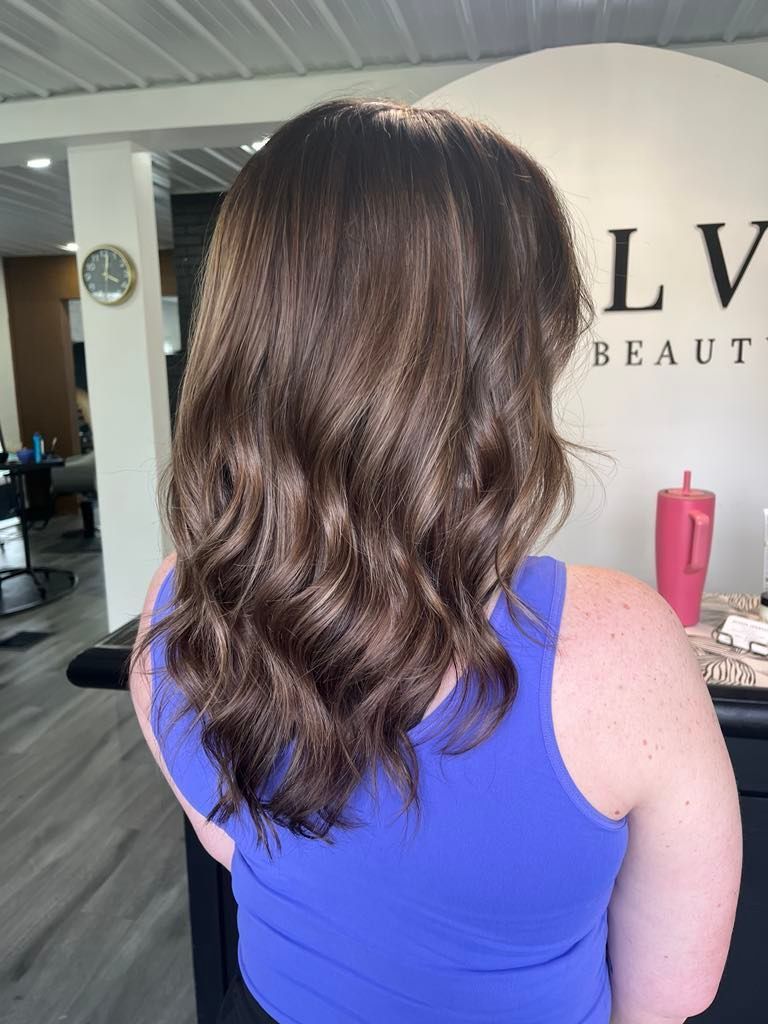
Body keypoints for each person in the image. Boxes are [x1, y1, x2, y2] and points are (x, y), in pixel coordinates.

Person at [129, 99, 741, 1024]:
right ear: (508, 358)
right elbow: (673, 991)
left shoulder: (177, 603)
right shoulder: (624, 649)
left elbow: (240, 847)